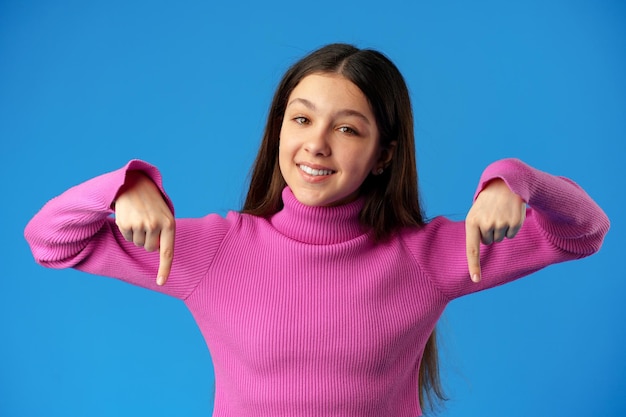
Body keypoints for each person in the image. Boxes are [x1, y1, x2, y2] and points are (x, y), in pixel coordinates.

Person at [25, 43, 609, 417]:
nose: (316, 144)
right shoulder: (213, 250)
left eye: (349, 129)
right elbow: (50, 241)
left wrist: (514, 179)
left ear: (384, 155)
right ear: (279, 128)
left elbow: (582, 232)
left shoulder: (427, 257)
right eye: (301, 118)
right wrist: (126, 184)